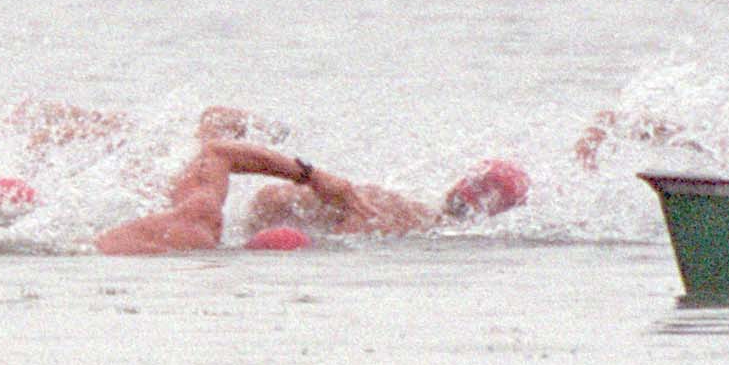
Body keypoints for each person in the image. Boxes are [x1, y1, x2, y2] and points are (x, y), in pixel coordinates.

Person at [96, 116, 529, 255]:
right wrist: (314, 179)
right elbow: (217, 150)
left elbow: (216, 152)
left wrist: (315, 180)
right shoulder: (201, 221)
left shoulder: (201, 217)